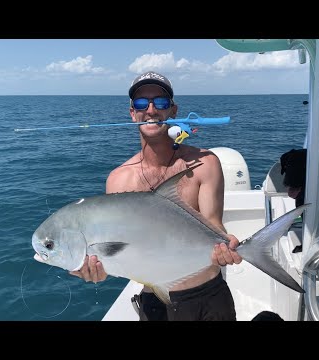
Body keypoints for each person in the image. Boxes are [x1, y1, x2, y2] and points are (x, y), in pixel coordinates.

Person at [70, 71, 242, 321]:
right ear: (132, 113)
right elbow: (120, 250)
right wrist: (95, 269)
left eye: (160, 102)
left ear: (173, 110)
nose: (150, 109)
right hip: (156, 301)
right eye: (141, 103)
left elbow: (214, 226)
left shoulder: (205, 164)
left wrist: (225, 246)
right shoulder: (118, 180)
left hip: (209, 297)